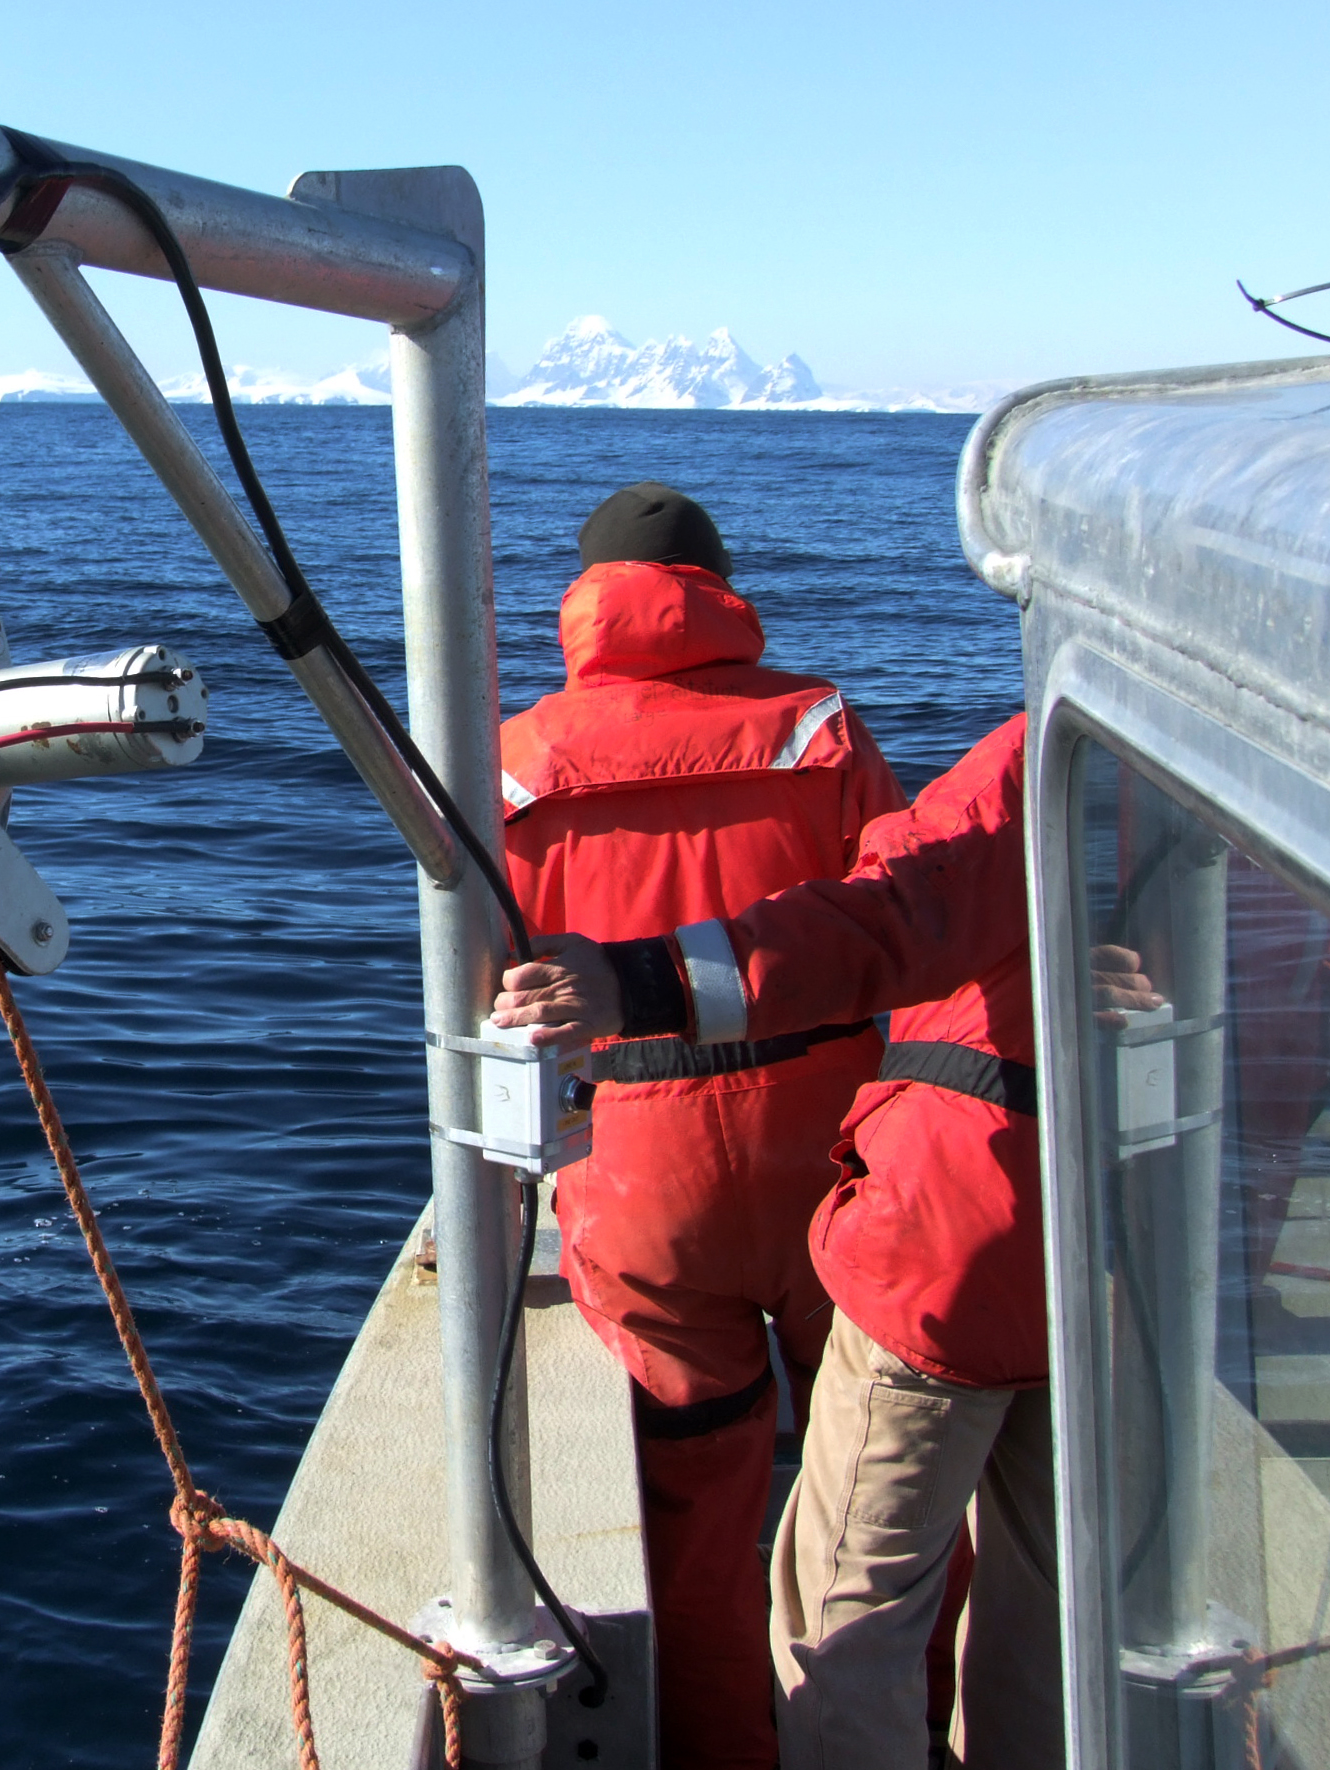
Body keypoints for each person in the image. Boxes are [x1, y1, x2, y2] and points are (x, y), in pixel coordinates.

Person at [493, 715, 1157, 1770]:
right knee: (1044, 1593)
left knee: (837, 1589)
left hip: (924, 1238)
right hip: (1124, 1256)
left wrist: (639, 982)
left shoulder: (1064, 742)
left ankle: (718, 1742)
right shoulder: (824, 730)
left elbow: (892, 917)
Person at [497, 482, 904, 1770]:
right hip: (837, 1162)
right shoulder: (820, 729)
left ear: (584, 601)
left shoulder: (514, 759)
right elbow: (910, 920)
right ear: (722, 589)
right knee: (873, 1507)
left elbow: (487, 993)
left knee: (697, 1511)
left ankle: (726, 1748)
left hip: (643, 1181)